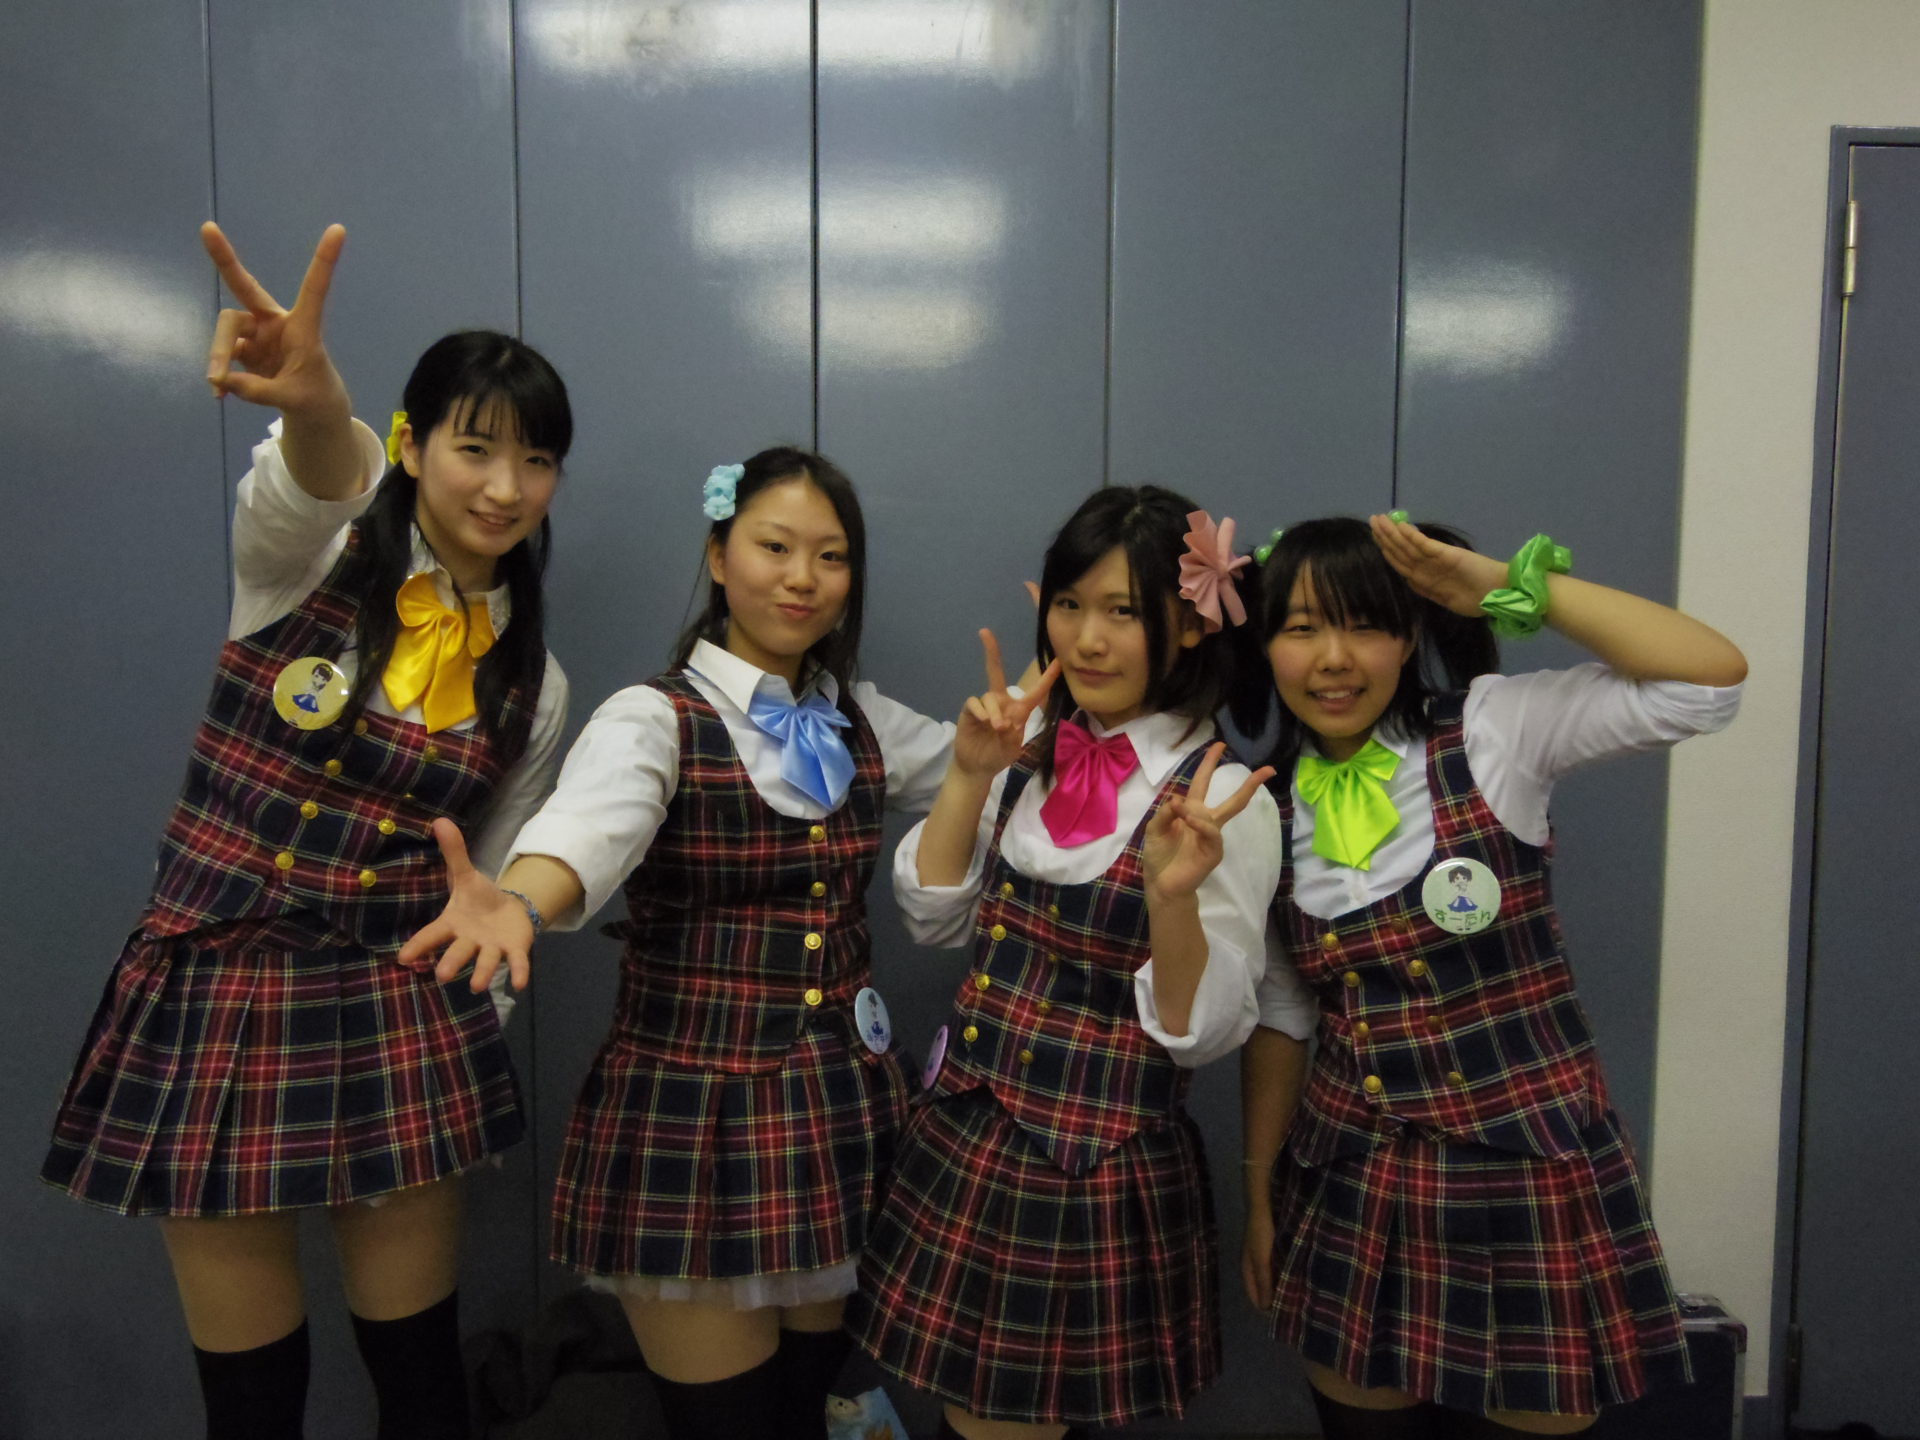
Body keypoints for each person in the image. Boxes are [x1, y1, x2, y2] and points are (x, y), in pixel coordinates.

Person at [42, 223, 574, 1440]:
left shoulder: (537, 684)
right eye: (475, 447)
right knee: (251, 1395)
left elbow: (491, 893)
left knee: (419, 1374)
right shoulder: (305, 558)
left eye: (537, 459)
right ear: (412, 444)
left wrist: (461, 1025)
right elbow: (316, 475)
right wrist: (319, 407)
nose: (505, 487)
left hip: (393, 1004)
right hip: (215, 992)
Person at [400, 450, 956, 1440]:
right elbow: (589, 828)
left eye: (831, 556)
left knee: (804, 1405)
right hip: (695, 1117)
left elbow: (990, 776)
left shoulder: (862, 717)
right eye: (774, 547)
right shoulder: (653, 718)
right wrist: (520, 902)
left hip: (842, 1110)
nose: (802, 578)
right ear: (719, 554)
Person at [1241, 514, 1746, 1438]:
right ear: (1266, 645)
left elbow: (1706, 682)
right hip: (1354, 1180)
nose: (1334, 659)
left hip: (1527, 1177)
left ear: (1410, 636)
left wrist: (1509, 588)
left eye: (1367, 625)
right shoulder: (1258, 807)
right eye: (1302, 628)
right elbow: (1285, 1013)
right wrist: (1259, 1194)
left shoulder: (1492, 731)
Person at [849, 488, 1317, 1440]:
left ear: (1192, 625)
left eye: (1124, 611)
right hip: (964, 1140)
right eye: (1070, 605)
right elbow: (934, 919)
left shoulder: (1222, 800)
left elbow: (1195, 1035)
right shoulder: (1035, 754)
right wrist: (971, 772)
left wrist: (1171, 900)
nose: (1088, 640)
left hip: (1089, 1173)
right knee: (967, 1420)